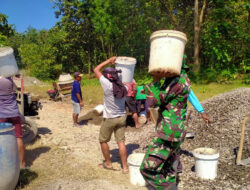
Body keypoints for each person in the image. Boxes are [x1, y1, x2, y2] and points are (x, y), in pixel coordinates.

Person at [140, 62, 191, 190]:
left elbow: (153, 102)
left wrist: (156, 80)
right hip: (177, 131)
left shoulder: (175, 82)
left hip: (168, 132)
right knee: (168, 169)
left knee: (147, 169)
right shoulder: (183, 79)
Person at [94, 56, 129, 174]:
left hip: (110, 118)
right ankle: (125, 167)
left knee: (103, 140)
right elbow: (120, 78)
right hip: (122, 117)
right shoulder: (124, 87)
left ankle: (108, 163)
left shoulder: (107, 85)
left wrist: (109, 61)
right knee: (121, 142)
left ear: (107, 77)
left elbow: (96, 70)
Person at [0, 76, 26, 169]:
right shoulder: (9, 79)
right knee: (18, 138)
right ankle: (22, 165)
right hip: (14, 113)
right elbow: (15, 88)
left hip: (1, 115)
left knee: (2, 140)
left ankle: (5, 165)